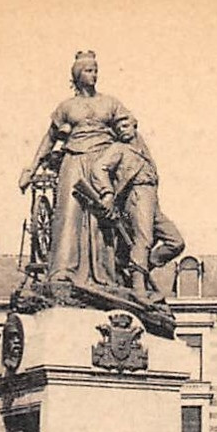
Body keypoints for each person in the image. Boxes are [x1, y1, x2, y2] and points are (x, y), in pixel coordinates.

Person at [18, 51, 136, 290]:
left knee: (101, 216)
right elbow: (49, 139)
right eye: (89, 71)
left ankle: (104, 274)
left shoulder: (110, 103)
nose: (94, 75)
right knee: (69, 214)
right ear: (77, 75)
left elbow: (130, 129)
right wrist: (31, 169)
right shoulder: (66, 107)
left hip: (103, 162)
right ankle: (63, 271)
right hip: (73, 161)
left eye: (95, 70)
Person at [85, 114, 185, 302]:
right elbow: (99, 167)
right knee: (144, 239)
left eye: (125, 125)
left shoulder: (142, 150)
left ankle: (137, 268)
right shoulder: (118, 149)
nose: (122, 129)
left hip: (152, 199)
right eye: (118, 127)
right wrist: (107, 191)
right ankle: (138, 288)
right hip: (136, 197)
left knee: (176, 242)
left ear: (134, 126)